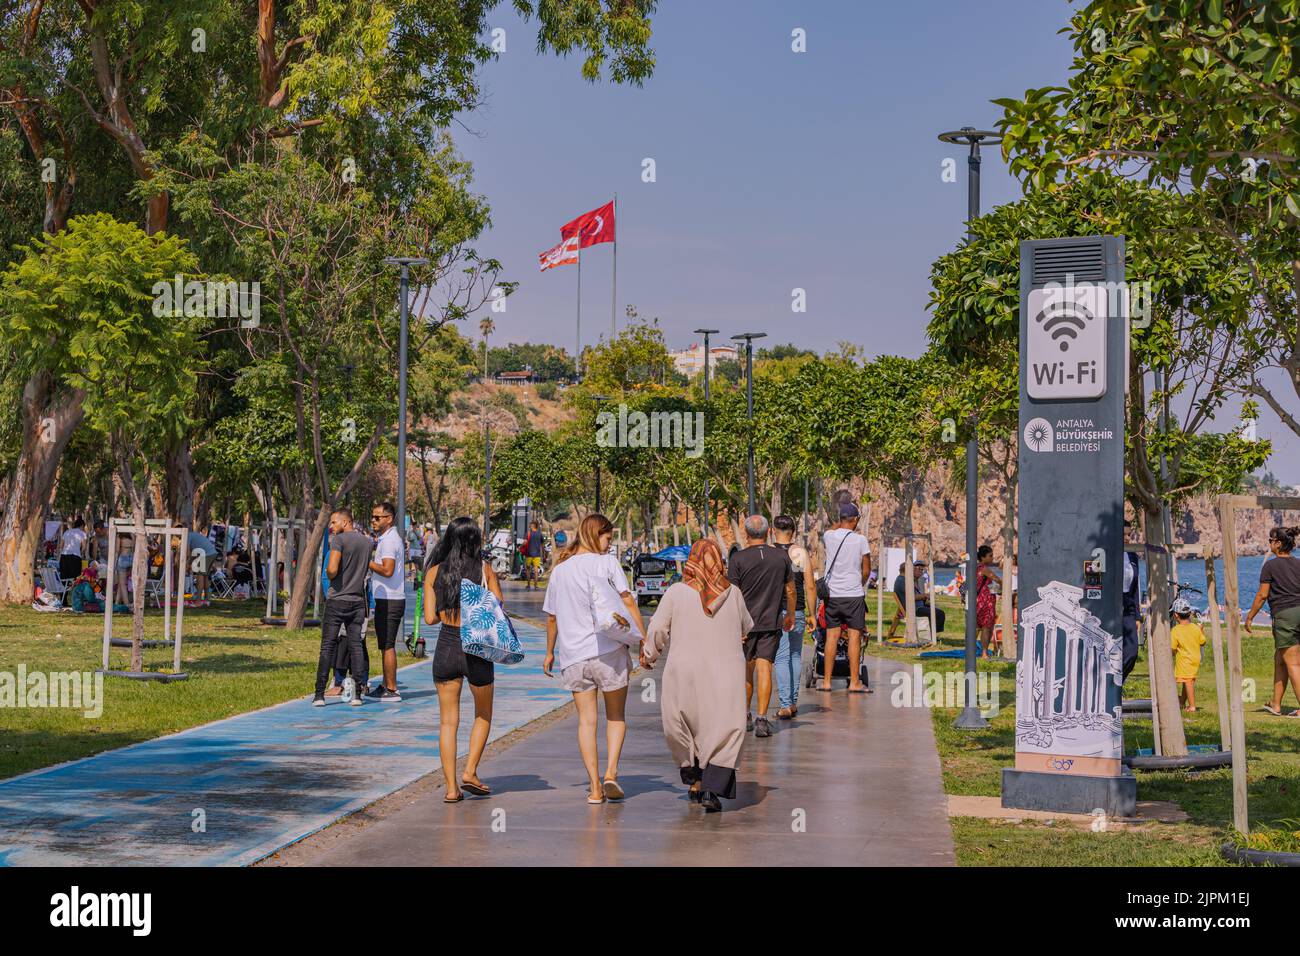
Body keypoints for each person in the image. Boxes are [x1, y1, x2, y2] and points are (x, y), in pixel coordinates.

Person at [641, 538, 752, 812]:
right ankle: (711, 787)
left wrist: (649, 654)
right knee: (723, 727)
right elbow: (746, 628)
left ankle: (695, 780)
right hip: (726, 672)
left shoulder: (677, 592)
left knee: (682, 723)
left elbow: (657, 629)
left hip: (684, 672)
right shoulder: (734, 593)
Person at [542, 513, 645, 804]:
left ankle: (595, 788)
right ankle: (611, 773)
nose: (609, 545)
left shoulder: (561, 569)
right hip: (608, 653)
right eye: (607, 538)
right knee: (615, 717)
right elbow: (627, 600)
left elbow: (552, 618)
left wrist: (550, 652)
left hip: (574, 657)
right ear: (594, 534)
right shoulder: (607, 564)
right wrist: (642, 638)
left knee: (586, 722)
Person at [424, 516, 502, 802]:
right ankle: (470, 771)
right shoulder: (485, 570)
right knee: (483, 714)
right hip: (477, 647)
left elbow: (431, 618)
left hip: (446, 645)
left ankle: (450, 788)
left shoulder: (433, 572)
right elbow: (498, 607)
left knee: (448, 722)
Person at [727, 515, 795, 738]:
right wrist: (790, 615)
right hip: (770, 621)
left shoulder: (738, 559)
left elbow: (732, 595)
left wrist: (735, 625)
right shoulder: (781, 557)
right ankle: (762, 719)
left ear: (746, 535)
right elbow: (791, 590)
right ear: (768, 533)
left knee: (747, 669)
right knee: (765, 668)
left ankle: (745, 715)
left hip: (745, 624)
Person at [313, 509, 373, 707]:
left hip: (337, 599)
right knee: (356, 646)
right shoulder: (367, 542)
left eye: (333, 522)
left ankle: (319, 694)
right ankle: (357, 694)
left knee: (327, 645)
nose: (331, 527)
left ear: (345, 522)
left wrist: (331, 576)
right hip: (357, 600)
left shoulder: (338, 541)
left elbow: (331, 569)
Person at [1246, 525, 1300, 718]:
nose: (1269, 543)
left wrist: (1250, 616)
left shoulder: (1270, 566)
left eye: (1271, 540)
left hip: (1285, 615)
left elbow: (1262, 595)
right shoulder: (1298, 564)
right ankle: (1276, 704)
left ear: (1278, 543)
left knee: (1293, 663)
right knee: (1280, 659)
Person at [819, 501, 871, 693]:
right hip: (853, 595)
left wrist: (839, 523)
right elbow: (867, 569)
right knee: (854, 637)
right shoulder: (860, 540)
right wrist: (859, 582)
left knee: (831, 636)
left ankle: (826, 681)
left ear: (841, 520)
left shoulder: (829, 536)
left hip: (832, 595)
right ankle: (855, 682)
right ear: (855, 520)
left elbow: (832, 529)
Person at [772, 514, 816, 720]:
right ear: (793, 533)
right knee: (795, 655)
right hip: (797, 610)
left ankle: (785, 704)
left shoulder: (770, 553)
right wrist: (812, 613)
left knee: (781, 657)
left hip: (776, 611)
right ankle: (793, 702)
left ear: (774, 531)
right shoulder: (799, 553)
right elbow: (809, 585)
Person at [366, 501, 405, 702]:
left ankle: (392, 688)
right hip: (385, 599)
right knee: (384, 644)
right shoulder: (385, 539)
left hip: (391, 599)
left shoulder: (389, 541)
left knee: (388, 645)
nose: (373, 521)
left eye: (377, 518)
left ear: (388, 519)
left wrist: (367, 561)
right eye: (372, 517)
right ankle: (385, 684)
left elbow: (388, 570)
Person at [1169, 599, 1206, 712]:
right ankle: (1182, 702)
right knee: (1187, 680)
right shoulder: (1195, 628)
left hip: (1184, 660)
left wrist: (1172, 654)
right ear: (1189, 613)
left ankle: (1192, 706)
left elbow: (1173, 647)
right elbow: (1202, 642)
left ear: (1175, 615)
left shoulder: (1175, 630)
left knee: (1188, 682)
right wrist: (1201, 630)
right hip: (1195, 659)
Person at [1121, 533, 1142, 683]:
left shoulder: (1132, 555)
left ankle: (1116, 683)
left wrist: (1137, 616)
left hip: (1128, 608)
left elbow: (1135, 589)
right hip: (1110, 607)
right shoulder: (1106, 552)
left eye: (1129, 534)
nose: (1127, 538)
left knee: (1132, 652)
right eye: (1123, 534)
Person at [975, 545, 1000, 658]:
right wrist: (1004, 587)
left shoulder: (975, 568)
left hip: (977, 600)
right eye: (990, 556)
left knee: (977, 626)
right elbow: (997, 579)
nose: (992, 558)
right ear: (983, 557)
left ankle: (971, 650)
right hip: (986, 601)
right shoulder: (984, 569)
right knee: (986, 627)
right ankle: (984, 652)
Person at [187, 526, 218, 600]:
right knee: (205, 576)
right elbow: (195, 553)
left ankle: (198, 600)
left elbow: (187, 552)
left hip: (206, 555)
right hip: (213, 553)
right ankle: (207, 599)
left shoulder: (187, 536)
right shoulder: (194, 535)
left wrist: (187, 563)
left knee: (200, 576)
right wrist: (189, 562)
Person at [59, 517, 88, 582]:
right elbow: (84, 547)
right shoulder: (82, 533)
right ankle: (73, 591)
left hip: (64, 557)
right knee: (75, 578)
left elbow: (61, 545)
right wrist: (81, 553)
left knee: (64, 577)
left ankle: (64, 591)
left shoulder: (67, 532)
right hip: (75, 557)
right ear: (82, 526)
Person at [523, 521, 545, 590]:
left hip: (529, 554)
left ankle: (528, 585)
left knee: (528, 570)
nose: (529, 527)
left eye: (530, 525)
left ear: (533, 526)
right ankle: (536, 586)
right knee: (536, 570)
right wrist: (543, 552)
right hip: (537, 555)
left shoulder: (528, 534)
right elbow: (542, 544)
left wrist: (520, 547)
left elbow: (525, 542)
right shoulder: (540, 534)